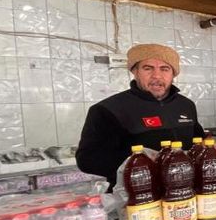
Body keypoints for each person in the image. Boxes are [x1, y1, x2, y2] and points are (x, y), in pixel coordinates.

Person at [76, 43, 204, 190]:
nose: (157, 75)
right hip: (136, 195)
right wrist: (142, 168)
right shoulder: (108, 109)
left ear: (173, 74)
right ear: (135, 71)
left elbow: (198, 143)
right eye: (148, 68)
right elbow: (87, 161)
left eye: (165, 69)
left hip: (184, 190)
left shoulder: (185, 105)